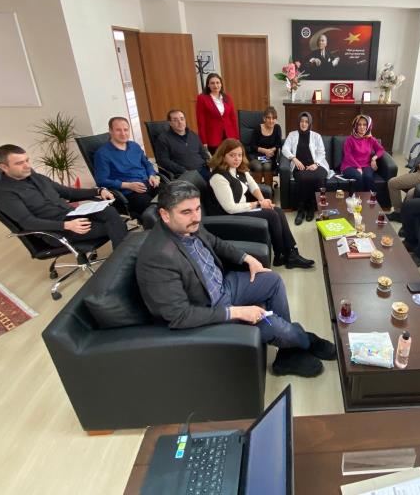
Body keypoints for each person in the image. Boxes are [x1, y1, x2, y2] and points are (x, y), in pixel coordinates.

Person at [136, 180, 335, 377]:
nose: (196, 217)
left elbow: (216, 243)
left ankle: (288, 352)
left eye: (197, 209)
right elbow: (179, 316)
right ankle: (306, 340)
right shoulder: (158, 257)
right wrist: (237, 311)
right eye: (186, 212)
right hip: (208, 308)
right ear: (165, 215)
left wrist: (247, 258)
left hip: (222, 286)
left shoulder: (189, 226)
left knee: (272, 280)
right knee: (272, 323)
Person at [0, 144, 127, 248]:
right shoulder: (5, 194)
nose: (27, 166)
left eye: (27, 160)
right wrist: (66, 225)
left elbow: (68, 192)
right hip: (56, 230)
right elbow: (28, 222)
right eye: (19, 163)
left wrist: (98, 191)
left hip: (72, 214)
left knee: (109, 211)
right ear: (4, 167)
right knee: (116, 226)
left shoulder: (34, 176)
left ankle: (123, 258)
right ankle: (123, 260)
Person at [209, 139, 315, 270]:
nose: (237, 159)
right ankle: (282, 254)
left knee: (278, 211)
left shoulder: (238, 169)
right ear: (223, 155)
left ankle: (291, 252)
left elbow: (253, 186)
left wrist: (263, 201)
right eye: (232, 155)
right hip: (230, 215)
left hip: (242, 208)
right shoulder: (218, 177)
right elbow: (230, 208)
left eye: (240, 155)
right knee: (272, 215)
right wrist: (258, 203)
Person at [93, 117, 161, 220]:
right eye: (118, 130)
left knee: (175, 197)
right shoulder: (102, 154)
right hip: (130, 193)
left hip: (150, 184)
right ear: (110, 131)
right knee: (155, 212)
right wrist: (128, 185)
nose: (123, 133)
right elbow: (101, 180)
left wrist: (152, 175)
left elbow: (147, 163)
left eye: (126, 130)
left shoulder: (134, 146)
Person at [282, 112, 331, 225]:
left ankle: (311, 207)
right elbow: (285, 149)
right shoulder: (292, 135)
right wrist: (294, 159)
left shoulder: (316, 136)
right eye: (301, 121)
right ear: (298, 122)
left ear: (309, 123)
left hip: (316, 165)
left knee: (319, 177)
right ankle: (301, 209)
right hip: (300, 166)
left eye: (306, 122)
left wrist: (316, 164)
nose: (303, 124)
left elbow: (322, 153)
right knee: (303, 178)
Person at [154, 110, 210, 180]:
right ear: (170, 123)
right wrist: (182, 170)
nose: (180, 122)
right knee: (208, 185)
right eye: (175, 120)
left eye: (182, 119)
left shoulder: (192, 134)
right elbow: (163, 161)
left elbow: (203, 153)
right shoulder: (163, 139)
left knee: (219, 180)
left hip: (202, 169)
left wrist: (210, 162)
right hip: (184, 174)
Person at [340, 114, 385, 193]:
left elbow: (381, 150)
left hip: (366, 165)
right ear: (355, 126)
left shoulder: (371, 139)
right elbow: (348, 156)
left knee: (368, 177)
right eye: (359, 124)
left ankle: (371, 198)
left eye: (364, 125)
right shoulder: (349, 140)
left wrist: (374, 158)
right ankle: (359, 199)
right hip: (349, 165)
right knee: (358, 176)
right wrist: (358, 167)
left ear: (368, 126)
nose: (362, 127)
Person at [196, 73, 239, 154]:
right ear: (208, 85)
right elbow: (201, 121)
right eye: (212, 83)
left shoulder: (227, 98)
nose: (215, 85)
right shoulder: (202, 98)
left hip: (229, 135)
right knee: (217, 159)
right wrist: (203, 141)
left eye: (217, 82)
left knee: (230, 157)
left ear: (221, 84)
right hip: (213, 136)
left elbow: (233, 118)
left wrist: (236, 137)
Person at [247, 106, 283, 189]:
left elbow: (279, 144)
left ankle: (268, 191)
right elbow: (252, 146)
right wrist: (265, 151)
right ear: (264, 118)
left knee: (267, 166)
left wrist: (271, 151)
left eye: (273, 118)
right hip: (256, 156)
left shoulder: (277, 128)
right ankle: (257, 192)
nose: (271, 121)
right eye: (269, 118)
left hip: (270, 157)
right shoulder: (258, 128)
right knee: (258, 167)